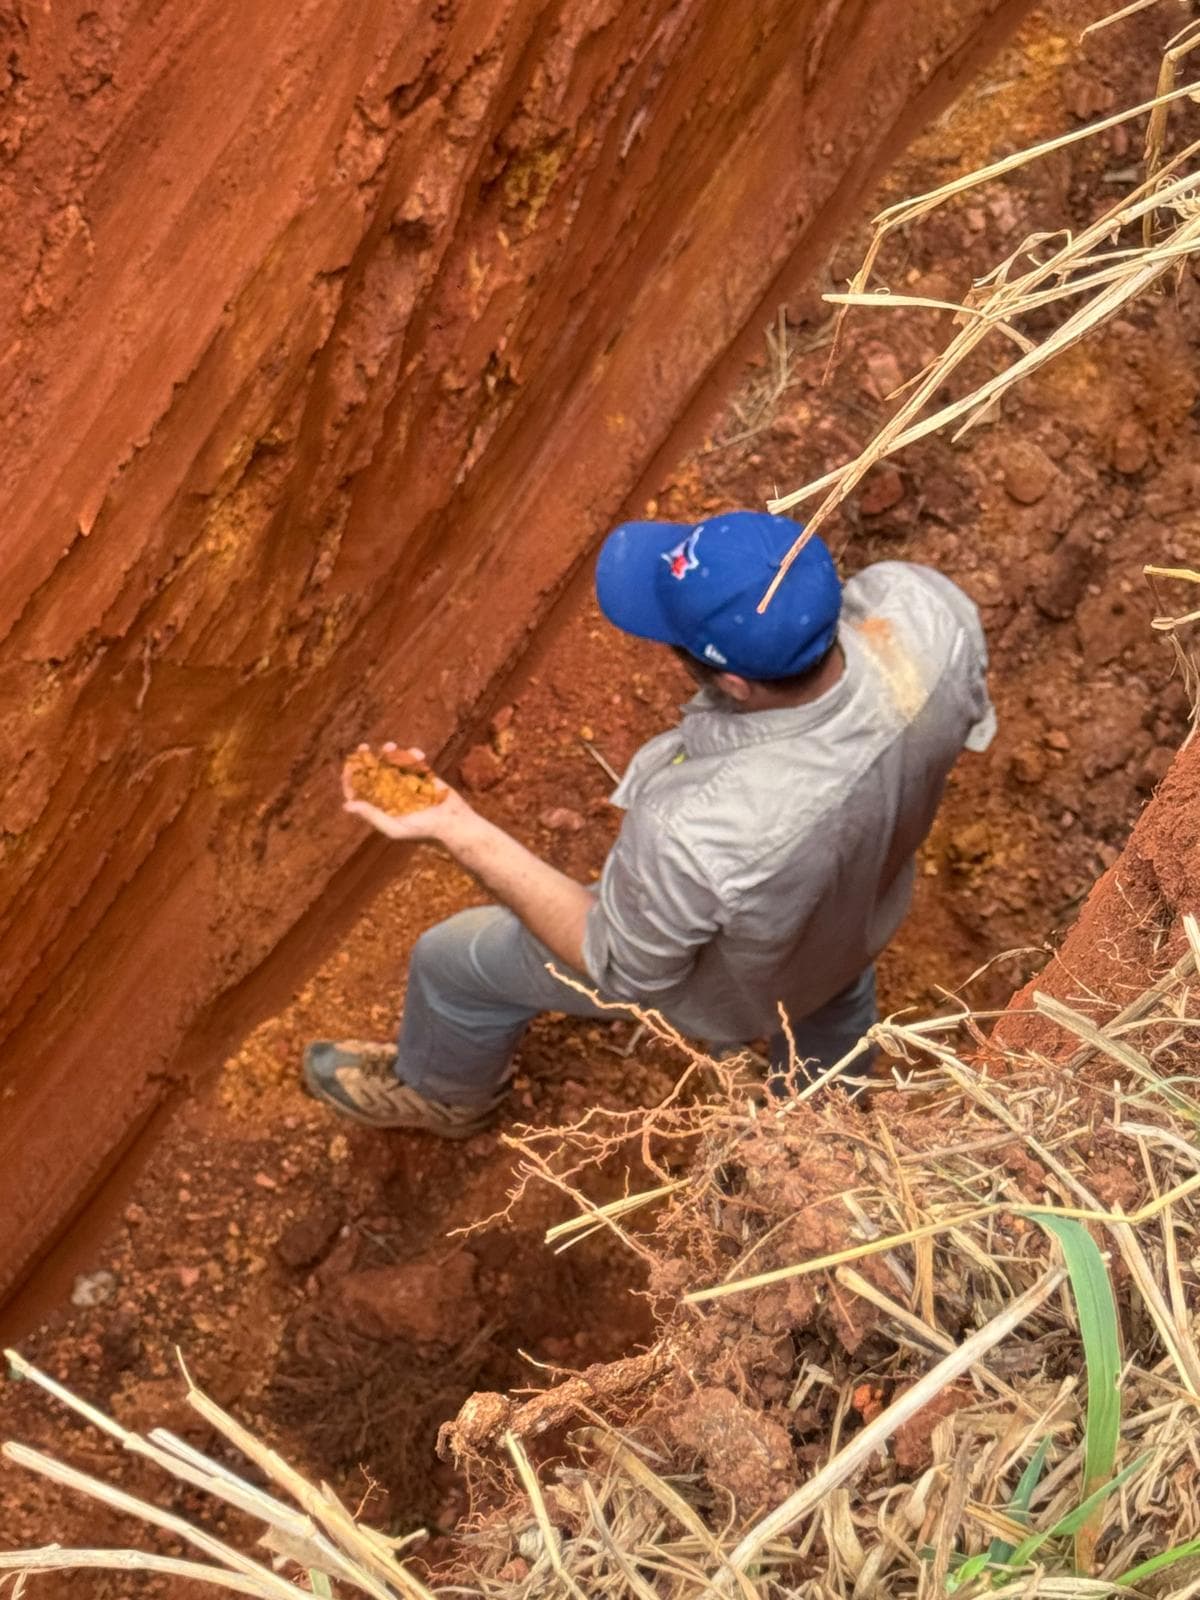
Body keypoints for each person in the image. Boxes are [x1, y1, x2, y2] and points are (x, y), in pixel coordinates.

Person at [304, 510, 995, 1136]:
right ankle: (823, 1139)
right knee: (832, 1010)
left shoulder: (697, 830)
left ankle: (445, 1093)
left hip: (734, 989)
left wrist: (457, 827)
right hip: (854, 928)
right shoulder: (925, 615)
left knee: (451, 964)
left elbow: (620, 963)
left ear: (734, 684)